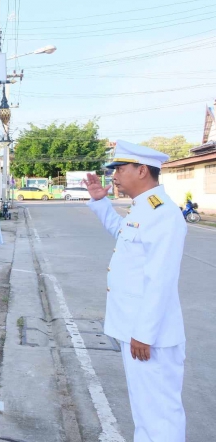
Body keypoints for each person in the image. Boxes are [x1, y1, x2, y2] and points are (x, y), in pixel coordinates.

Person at [85, 140, 187, 442]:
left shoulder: (162, 213)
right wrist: (100, 202)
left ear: (142, 171)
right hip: (137, 330)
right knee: (145, 412)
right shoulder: (143, 207)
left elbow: (160, 280)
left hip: (151, 336)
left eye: (120, 169)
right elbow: (122, 232)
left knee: (160, 416)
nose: (114, 175)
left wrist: (143, 333)